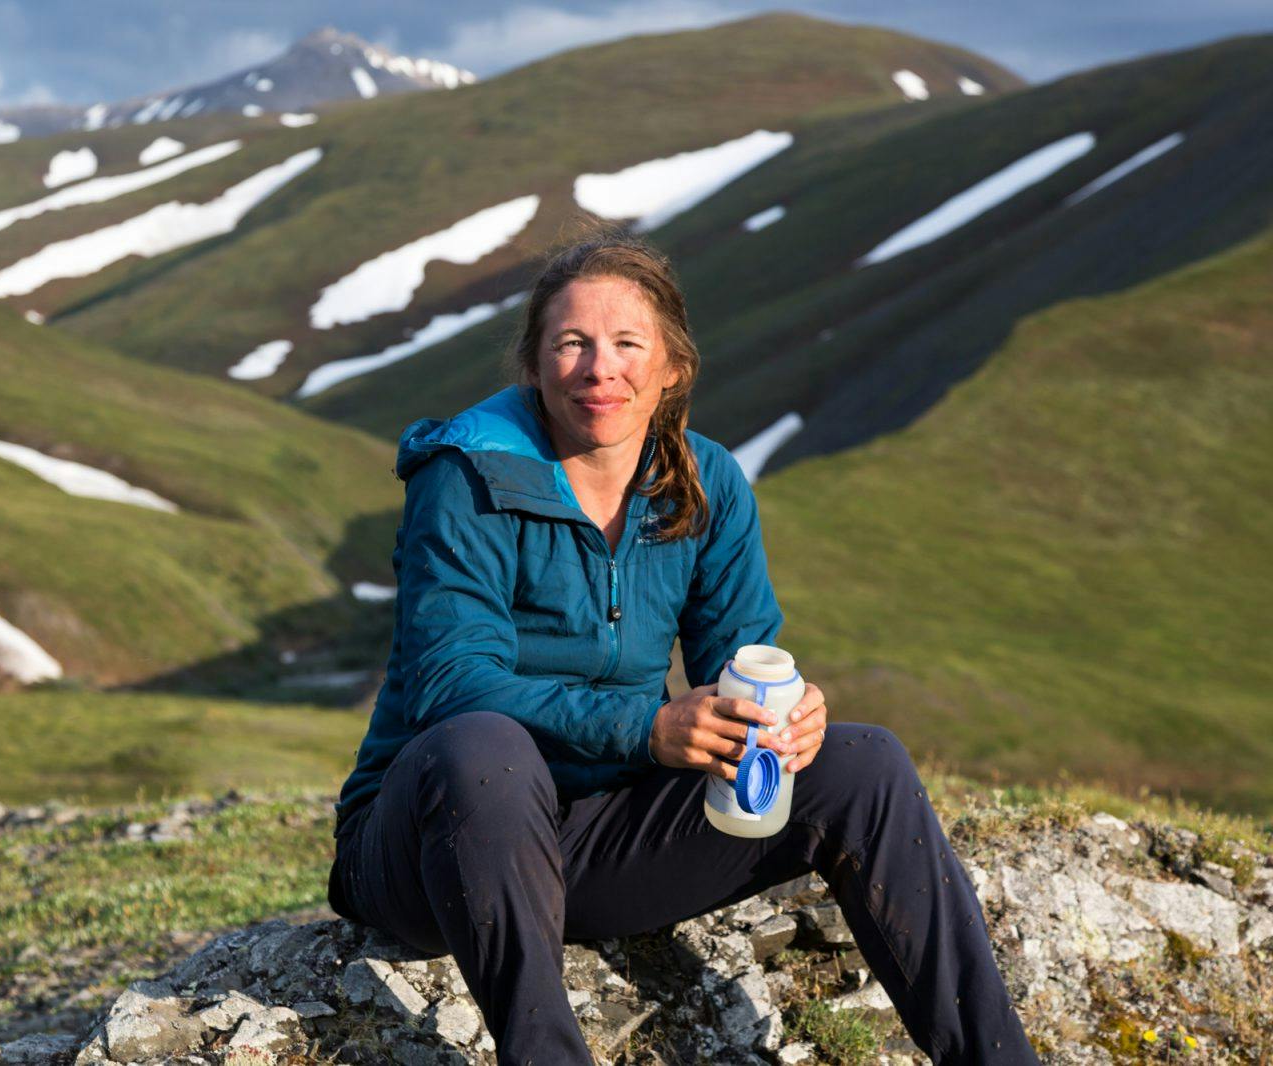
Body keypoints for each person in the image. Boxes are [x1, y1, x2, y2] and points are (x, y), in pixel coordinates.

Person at [326, 234, 1038, 1065]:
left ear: (671, 367)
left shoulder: (704, 482)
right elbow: (451, 685)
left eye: (629, 344)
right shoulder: (467, 477)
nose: (601, 368)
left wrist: (786, 718)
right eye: (572, 343)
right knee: (486, 746)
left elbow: (743, 658)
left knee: (866, 764)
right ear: (534, 363)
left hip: (589, 846)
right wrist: (647, 730)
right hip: (432, 843)